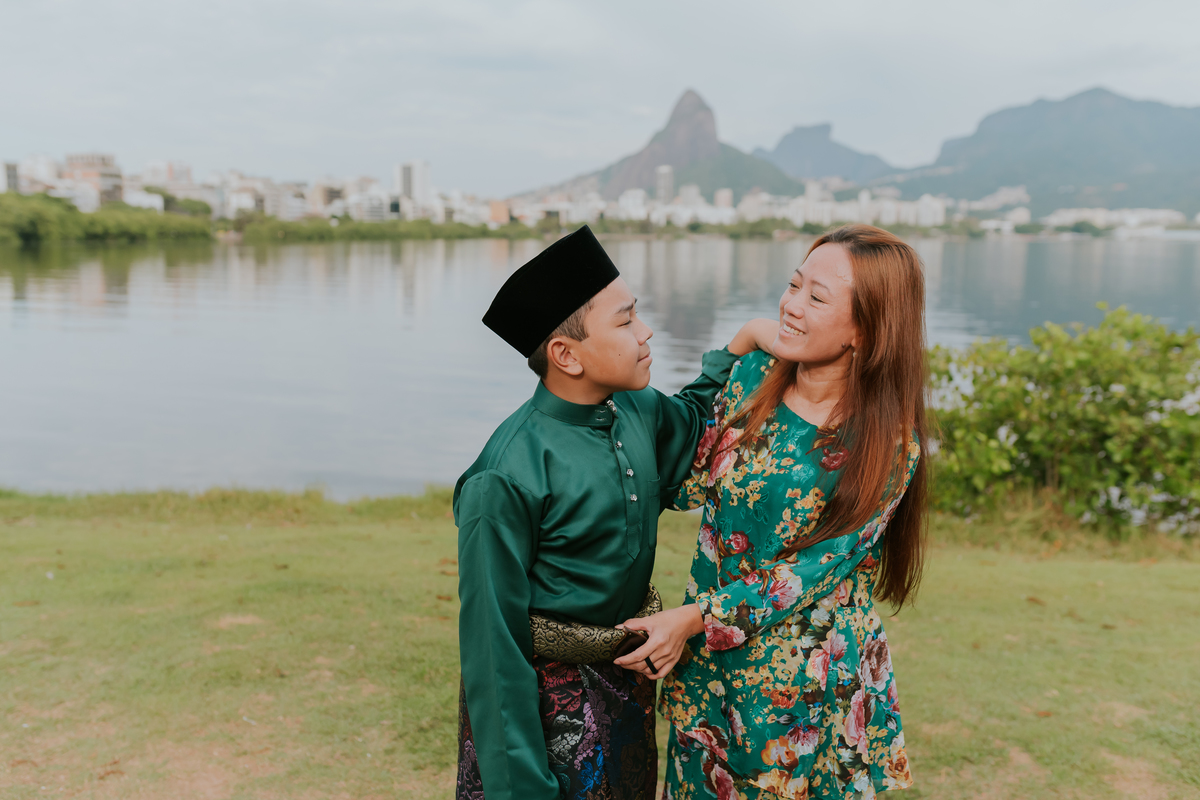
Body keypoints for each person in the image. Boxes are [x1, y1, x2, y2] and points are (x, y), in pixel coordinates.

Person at [454, 225, 777, 800]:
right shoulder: (504, 475)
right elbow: (491, 646)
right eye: (626, 321)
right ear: (565, 355)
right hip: (543, 708)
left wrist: (741, 346)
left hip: (626, 687)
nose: (646, 331)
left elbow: (693, 419)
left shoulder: (634, 408)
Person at [615, 224, 929, 800]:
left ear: (867, 329)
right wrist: (735, 346)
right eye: (793, 285)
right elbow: (685, 476)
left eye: (816, 297)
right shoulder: (753, 377)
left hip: (803, 676)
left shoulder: (886, 441)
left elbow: (807, 573)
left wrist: (689, 620)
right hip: (711, 661)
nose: (790, 305)